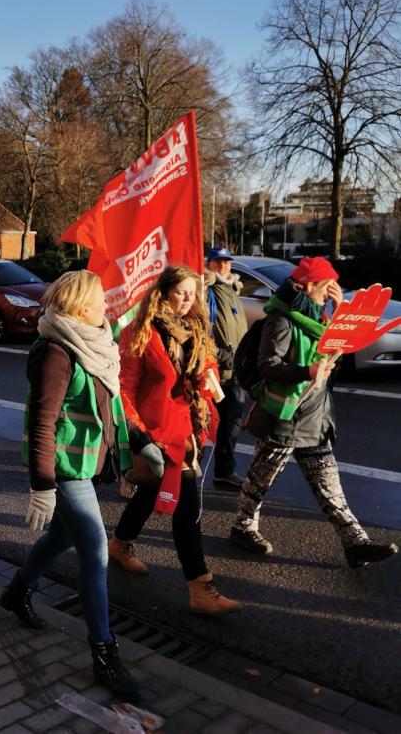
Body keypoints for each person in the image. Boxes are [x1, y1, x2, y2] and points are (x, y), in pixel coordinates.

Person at [0, 270, 143, 702]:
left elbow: (110, 400)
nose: (107, 308)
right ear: (81, 309)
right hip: (63, 468)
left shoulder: (94, 340)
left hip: (84, 464)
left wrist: (141, 445)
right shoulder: (58, 351)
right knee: (95, 552)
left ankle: (19, 590)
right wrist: (42, 485)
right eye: (100, 301)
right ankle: (103, 651)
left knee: (62, 534)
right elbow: (43, 422)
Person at [230, 257, 399, 568]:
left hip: (315, 417)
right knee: (260, 479)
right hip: (285, 416)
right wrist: (307, 370)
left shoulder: (319, 316)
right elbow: (268, 366)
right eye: (326, 287)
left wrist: (339, 311)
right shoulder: (280, 320)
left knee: (329, 484)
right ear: (307, 286)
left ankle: (355, 542)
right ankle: (242, 527)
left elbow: (335, 355)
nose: (331, 291)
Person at [108, 265, 241, 615]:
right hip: (157, 431)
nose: (188, 299)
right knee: (187, 508)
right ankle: (201, 588)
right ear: (164, 292)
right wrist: (137, 434)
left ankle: (120, 544)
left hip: (186, 429)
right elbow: (124, 387)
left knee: (152, 491)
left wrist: (208, 377)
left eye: (193, 292)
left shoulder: (196, 327)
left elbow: (206, 363)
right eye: (181, 291)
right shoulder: (142, 331)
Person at [204, 247, 248, 488]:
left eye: (227, 263)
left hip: (235, 372)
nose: (223, 267)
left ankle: (224, 471)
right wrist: (223, 356)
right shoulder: (207, 291)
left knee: (231, 426)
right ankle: (187, 474)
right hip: (215, 372)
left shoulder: (232, 290)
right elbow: (203, 332)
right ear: (209, 265)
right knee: (202, 424)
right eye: (218, 263)